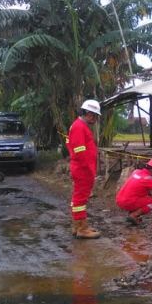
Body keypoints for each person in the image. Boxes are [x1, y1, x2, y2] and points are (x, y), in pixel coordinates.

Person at [66, 99, 102, 238]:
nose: (96, 119)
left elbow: (71, 145)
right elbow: (79, 151)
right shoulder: (79, 127)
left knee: (79, 198)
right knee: (80, 199)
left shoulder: (79, 126)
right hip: (83, 169)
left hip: (82, 168)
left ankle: (79, 225)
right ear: (89, 113)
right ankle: (82, 229)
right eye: (95, 116)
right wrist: (89, 169)